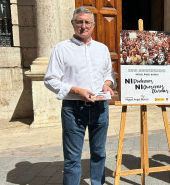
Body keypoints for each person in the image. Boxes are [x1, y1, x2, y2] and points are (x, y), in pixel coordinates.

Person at [44, 7, 116, 185]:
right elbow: (50, 80)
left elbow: (109, 75)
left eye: (87, 22)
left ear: (93, 25)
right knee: (72, 158)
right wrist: (77, 91)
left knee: (99, 153)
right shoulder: (61, 49)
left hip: (100, 108)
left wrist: (107, 85)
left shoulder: (102, 49)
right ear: (73, 23)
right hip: (73, 109)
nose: (83, 26)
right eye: (79, 22)